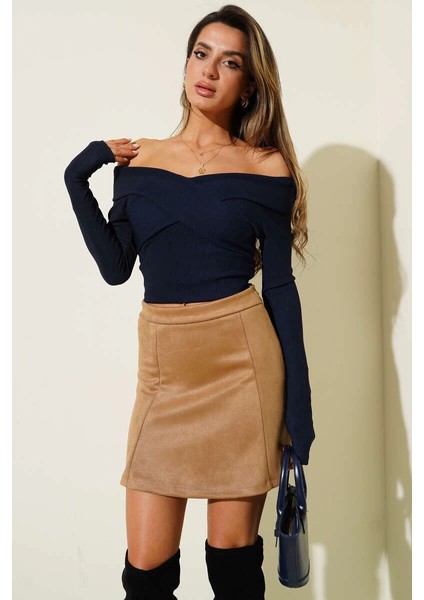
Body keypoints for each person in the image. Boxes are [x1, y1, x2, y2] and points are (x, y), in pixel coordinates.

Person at [64, 4, 315, 598]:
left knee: (233, 567)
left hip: (242, 369)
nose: (209, 70)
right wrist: (78, 178)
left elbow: (280, 287)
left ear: (248, 85)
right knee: (146, 573)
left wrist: (299, 410)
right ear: (185, 64)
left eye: (230, 62)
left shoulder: (266, 168)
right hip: (165, 372)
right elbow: (116, 269)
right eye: (201, 54)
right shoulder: (139, 161)